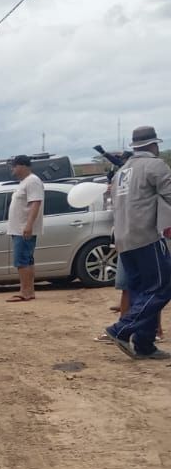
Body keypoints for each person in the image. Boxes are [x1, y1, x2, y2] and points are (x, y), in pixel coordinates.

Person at [103, 125, 171, 360]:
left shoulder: (123, 170)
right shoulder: (155, 165)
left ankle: (145, 344)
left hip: (124, 238)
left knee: (143, 291)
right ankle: (121, 329)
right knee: (162, 286)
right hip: (146, 236)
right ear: (154, 145)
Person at [6, 155, 44, 303]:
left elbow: (35, 203)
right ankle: (29, 290)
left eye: (14, 166)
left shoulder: (33, 181)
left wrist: (28, 225)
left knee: (22, 260)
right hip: (18, 228)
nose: (12, 169)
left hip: (23, 228)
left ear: (22, 166)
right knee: (26, 260)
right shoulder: (24, 182)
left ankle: (25, 291)